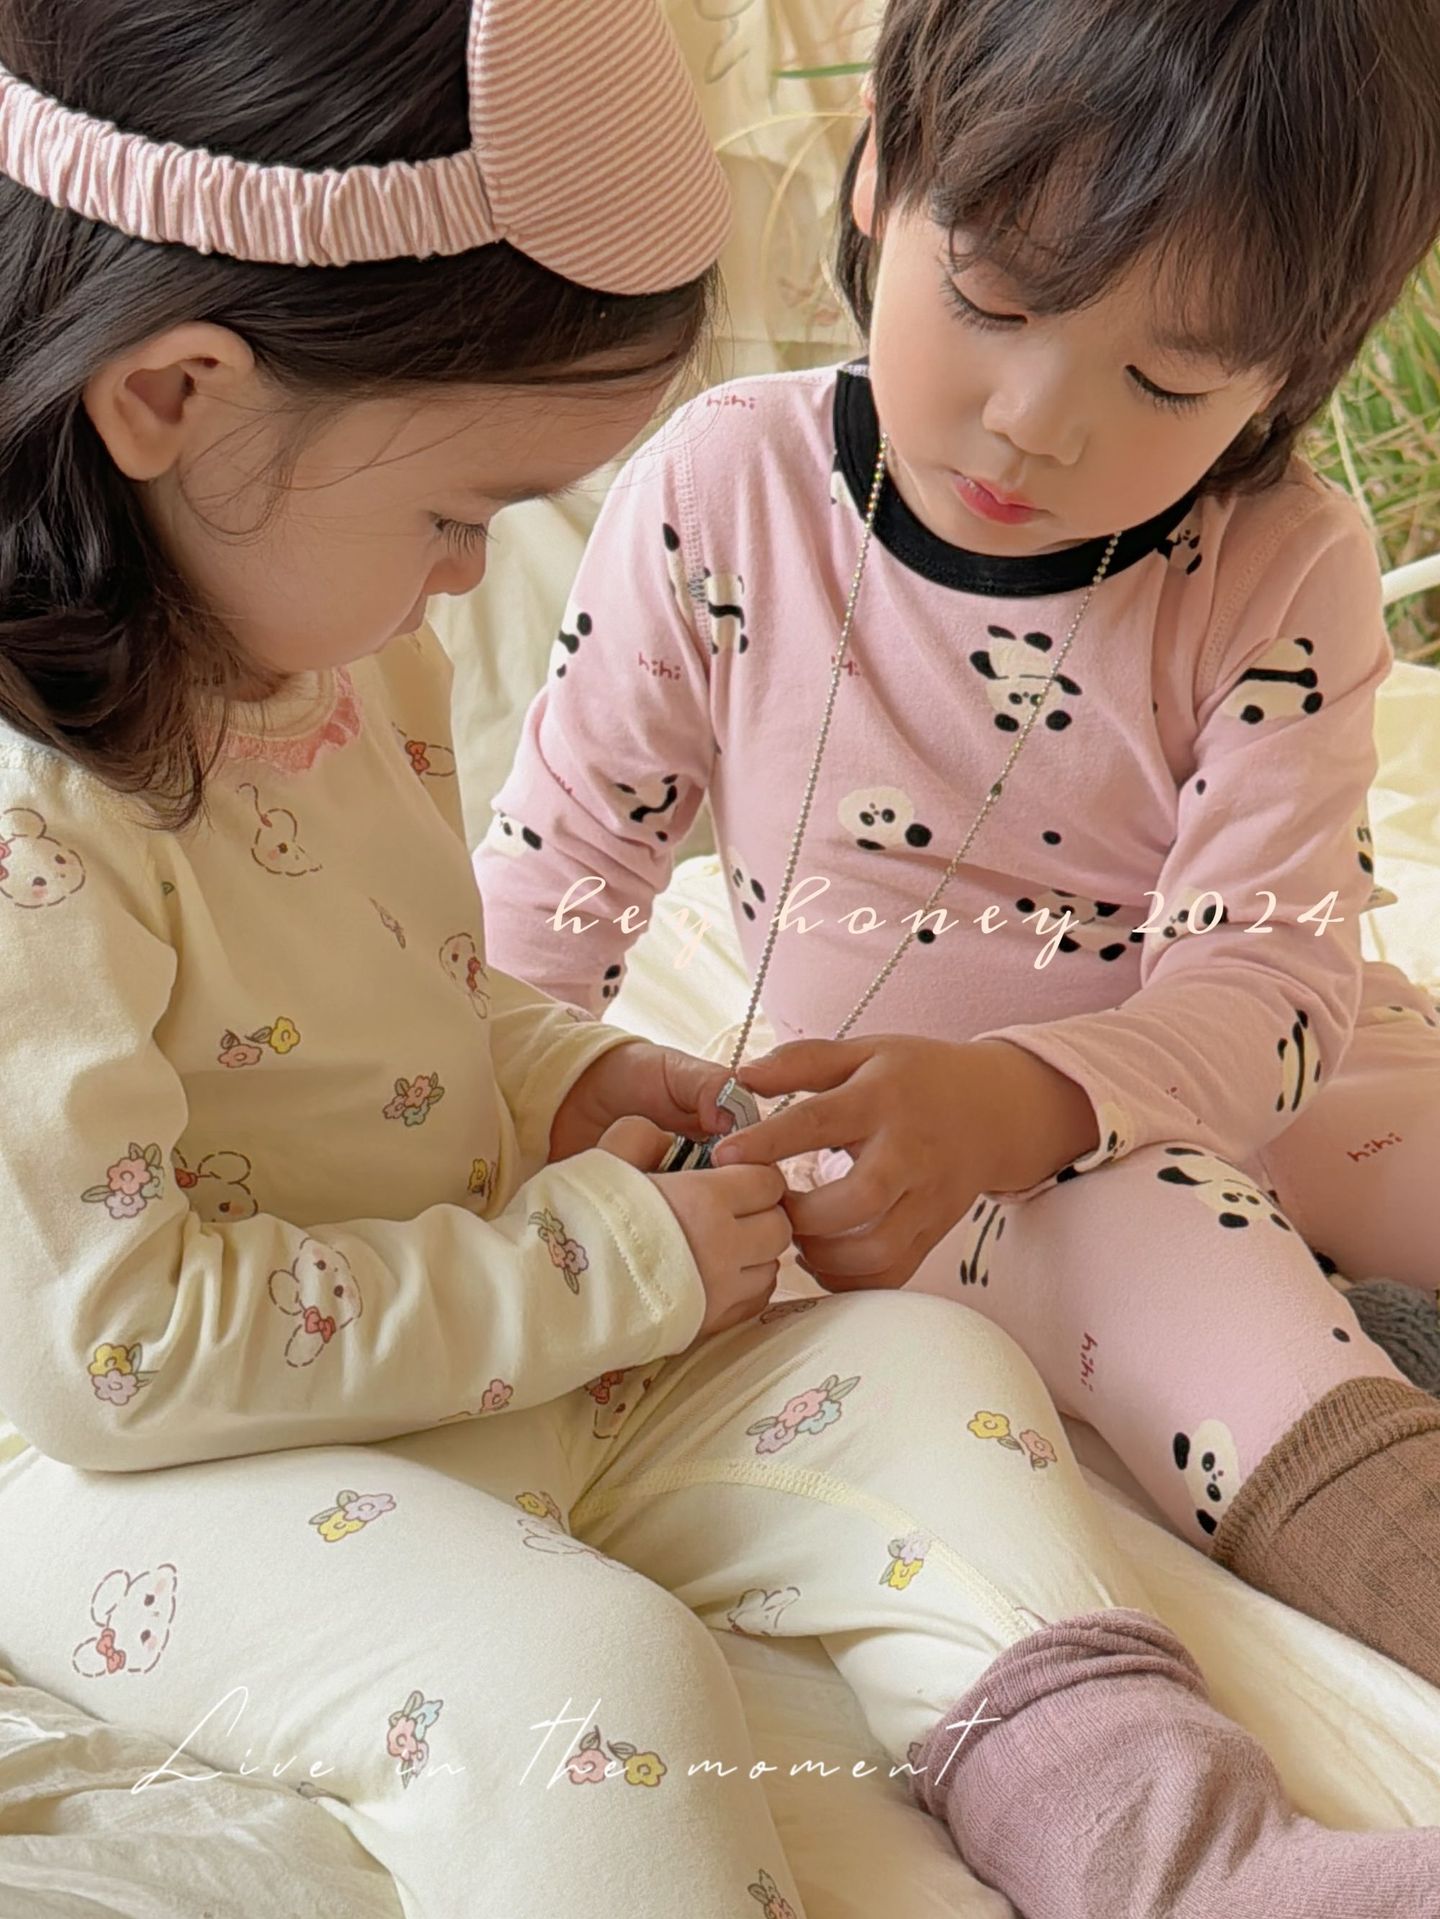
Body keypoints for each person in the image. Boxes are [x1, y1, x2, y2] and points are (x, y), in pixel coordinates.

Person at [2, 6, 1437, 1917]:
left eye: (1169, 380)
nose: (469, 579)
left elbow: (421, 997)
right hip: (184, 1457)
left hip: (535, 1314)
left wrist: (567, 1076)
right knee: (596, 1675)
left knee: (928, 1375)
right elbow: (117, 1350)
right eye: (462, 516)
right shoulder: (39, 836)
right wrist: (594, 1247)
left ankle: (1183, 1856)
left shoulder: (330, 654)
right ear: (172, 397)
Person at [477, 0, 1440, 1703]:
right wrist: (507, 1142)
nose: (1035, 421)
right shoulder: (726, 487)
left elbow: (1271, 981)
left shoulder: (1285, 560)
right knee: (1168, 1249)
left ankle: (1371, 1327)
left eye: (1168, 381)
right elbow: (550, 891)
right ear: (878, 176)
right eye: (994, 297)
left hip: (1279, 1073)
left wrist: (1032, 1090)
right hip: (954, 1174)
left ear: (1288, 375)